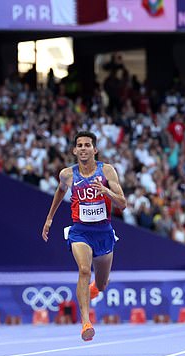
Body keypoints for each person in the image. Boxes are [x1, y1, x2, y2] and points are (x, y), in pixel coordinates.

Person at [42, 131, 126, 342]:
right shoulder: (67, 175)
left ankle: (94, 289)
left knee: (102, 284)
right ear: (74, 150)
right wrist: (50, 218)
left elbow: (123, 203)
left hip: (104, 232)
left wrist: (106, 192)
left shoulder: (107, 171)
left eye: (87, 145)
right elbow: (60, 191)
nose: (83, 148)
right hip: (80, 231)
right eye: (79, 145)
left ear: (94, 150)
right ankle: (86, 322)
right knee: (84, 269)